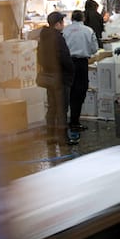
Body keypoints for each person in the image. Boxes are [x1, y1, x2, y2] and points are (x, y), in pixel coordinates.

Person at [37, 11, 75, 145]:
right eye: (62, 22)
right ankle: (63, 139)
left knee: (52, 107)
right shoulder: (58, 38)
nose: (63, 25)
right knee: (62, 108)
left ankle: (50, 137)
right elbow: (65, 58)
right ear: (58, 24)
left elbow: (40, 58)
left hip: (49, 78)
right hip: (60, 78)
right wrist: (71, 71)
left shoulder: (44, 37)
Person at [63, 10, 98, 133]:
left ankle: (64, 121)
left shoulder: (65, 31)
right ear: (83, 18)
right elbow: (94, 49)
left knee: (68, 91)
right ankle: (75, 121)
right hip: (82, 63)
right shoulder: (88, 30)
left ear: (72, 19)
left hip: (67, 63)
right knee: (80, 91)